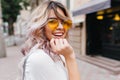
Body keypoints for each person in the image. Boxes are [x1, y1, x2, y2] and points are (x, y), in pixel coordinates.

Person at [20, 1, 80, 80]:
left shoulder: (58, 53)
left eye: (64, 22)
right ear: (41, 25)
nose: (61, 27)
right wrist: (70, 56)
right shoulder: (40, 58)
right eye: (52, 22)